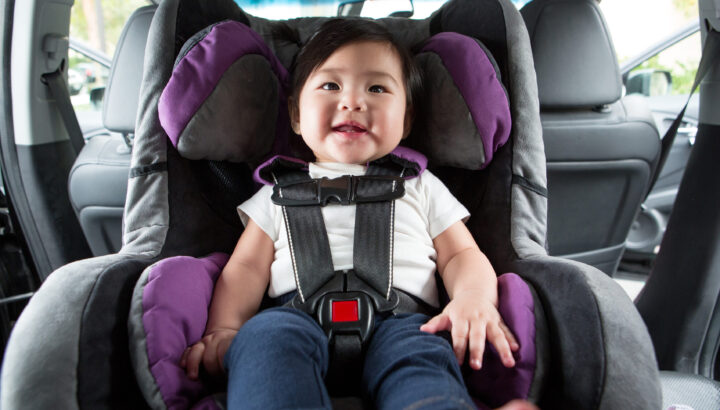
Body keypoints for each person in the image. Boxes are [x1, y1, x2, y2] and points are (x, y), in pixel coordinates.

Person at [181, 18, 538, 410]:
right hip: (292, 318)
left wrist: (472, 298)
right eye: (330, 85)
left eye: (378, 88)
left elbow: (461, 255)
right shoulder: (275, 191)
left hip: (404, 322)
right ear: (296, 115)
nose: (353, 101)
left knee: (424, 360)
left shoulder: (421, 184)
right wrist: (226, 328)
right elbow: (246, 267)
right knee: (262, 342)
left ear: (406, 121)